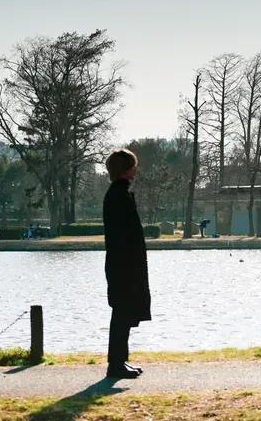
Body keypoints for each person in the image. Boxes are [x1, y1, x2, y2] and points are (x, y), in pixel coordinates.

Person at [103, 148, 151, 379]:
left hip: (122, 264)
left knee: (123, 313)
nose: (136, 170)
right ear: (126, 169)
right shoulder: (120, 195)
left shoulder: (118, 193)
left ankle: (120, 361)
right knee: (122, 313)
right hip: (125, 266)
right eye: (133, 166)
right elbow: (126, 235)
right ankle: (115, 364)